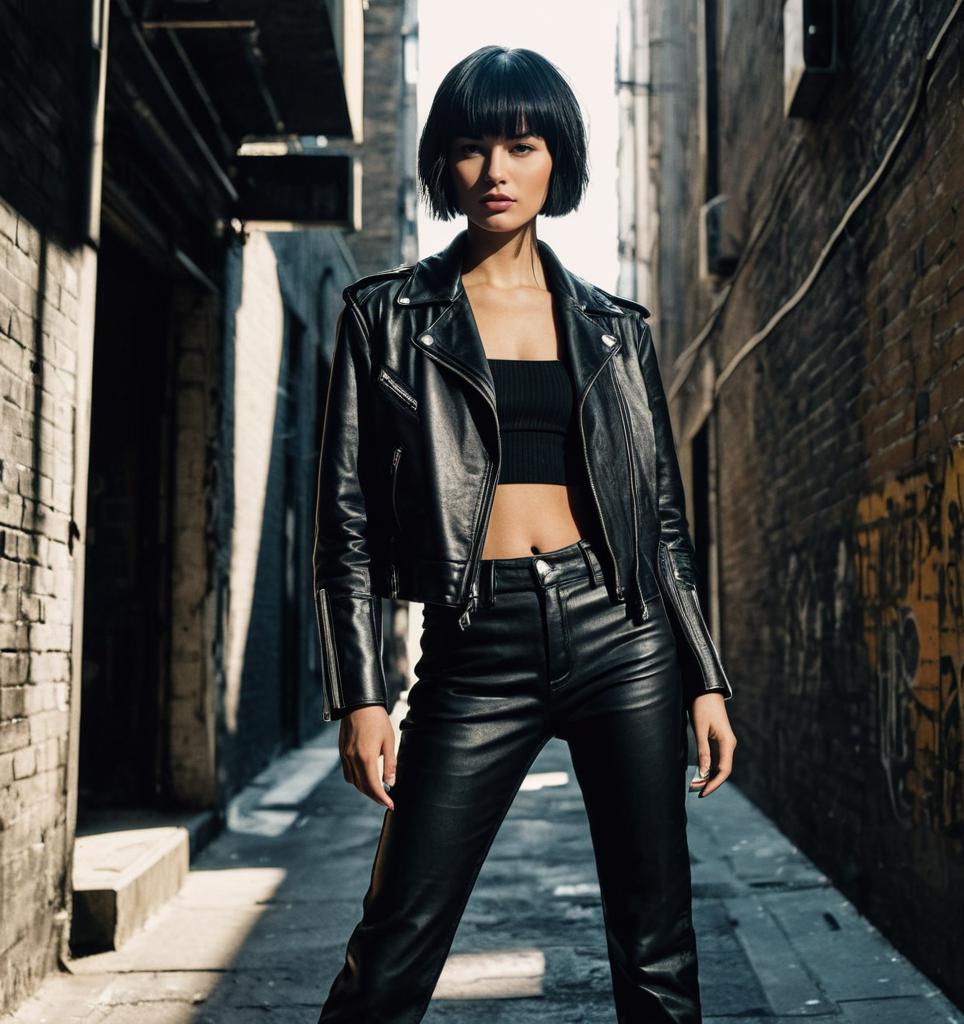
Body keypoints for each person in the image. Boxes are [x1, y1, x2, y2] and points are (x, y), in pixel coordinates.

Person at [313, 44, 737, 1024]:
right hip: (476, 647)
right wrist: (362, 692)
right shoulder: (384, 317)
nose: (495, 171)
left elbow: (662, 522)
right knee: (391, 951)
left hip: (620, 638)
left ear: (557, 158)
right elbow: (345, 520)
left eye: (520, 142)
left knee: (657, 949)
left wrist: (703, 674)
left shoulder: (613, 328)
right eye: (471, 147)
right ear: (444, 164)